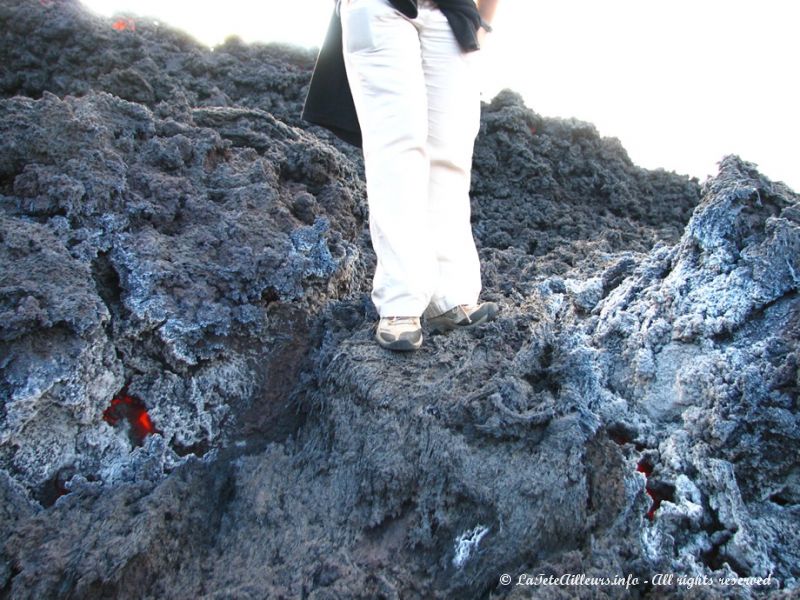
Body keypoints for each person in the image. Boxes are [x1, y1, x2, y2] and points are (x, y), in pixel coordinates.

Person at [303, 0, 500, 351]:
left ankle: (450, 296)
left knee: (451, 154)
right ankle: (400, 304)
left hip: (454, 14)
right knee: (395, 150)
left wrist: (484, 22)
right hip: (380, 8)